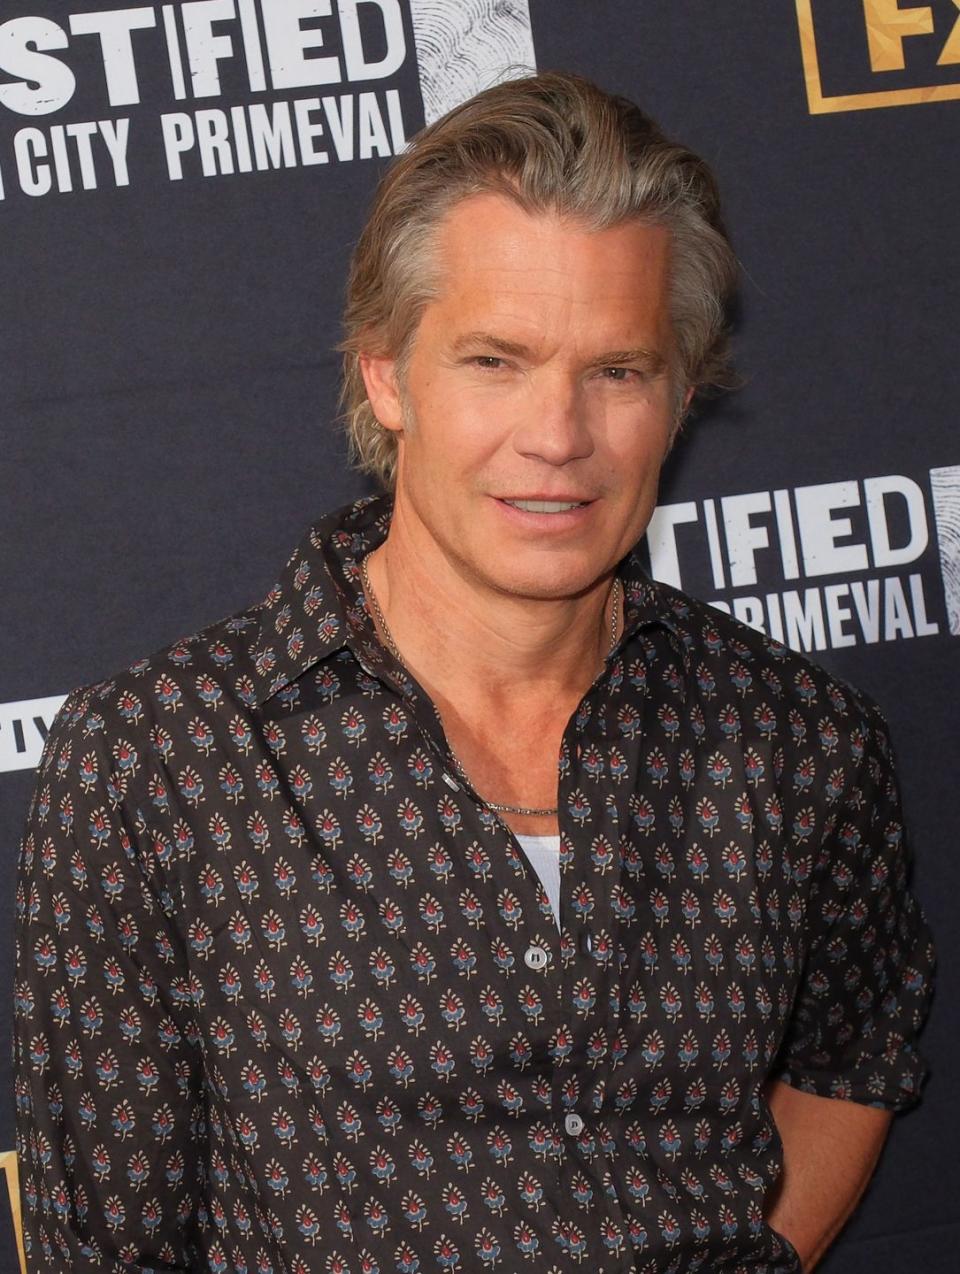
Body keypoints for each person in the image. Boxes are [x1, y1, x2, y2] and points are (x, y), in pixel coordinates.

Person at [13, 69, 935, 1274]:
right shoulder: (155, 763)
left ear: (682, 393)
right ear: (388, 374)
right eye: (496, 360)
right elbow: (108, 1246)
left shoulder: (799, 741)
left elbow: (855, 1052)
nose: (557, 436)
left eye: (618, 370)